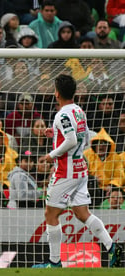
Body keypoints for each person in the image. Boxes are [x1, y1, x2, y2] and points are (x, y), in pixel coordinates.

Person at [32, 74, 122, 268]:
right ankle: (112, 247)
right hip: (80, 169)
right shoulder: (78, 111)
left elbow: (71, 140)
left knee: (50, 214)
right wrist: (54, 133)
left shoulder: (62, 114)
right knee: (82, 213)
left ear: (57, 92)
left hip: (66, 171)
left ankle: (54, 262)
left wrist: (51, 155)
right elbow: (80, 135)